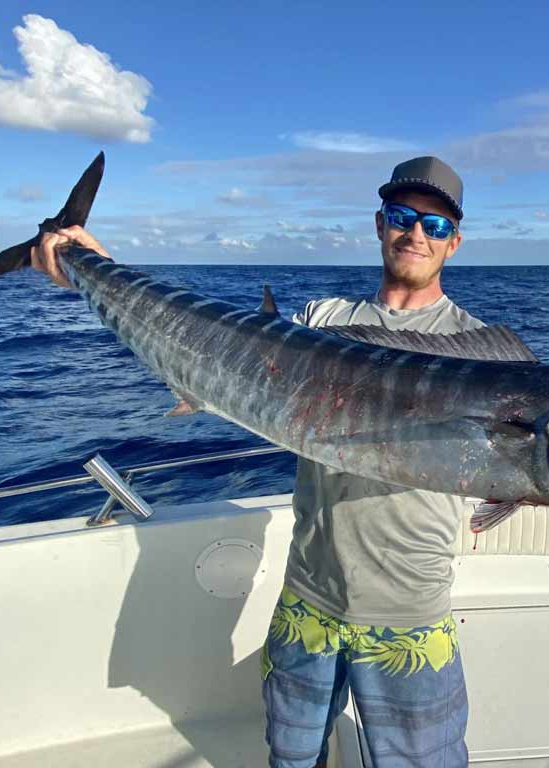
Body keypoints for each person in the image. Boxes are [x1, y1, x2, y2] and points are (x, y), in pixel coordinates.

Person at [31, 156, 478, 768]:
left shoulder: (480, 350)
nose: (415, 234)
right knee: (289, 758)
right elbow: (219, 349)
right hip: (307, 599)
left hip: (410, 613)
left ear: (455, 241)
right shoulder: (323, 321)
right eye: (402, 218)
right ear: (379, 225)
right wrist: (92, 267)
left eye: (434, 225)